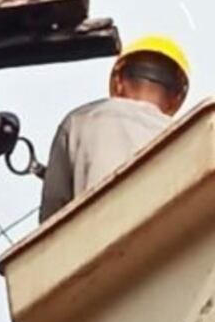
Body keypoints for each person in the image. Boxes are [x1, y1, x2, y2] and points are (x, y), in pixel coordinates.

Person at [38, 35, 191, 222]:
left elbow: (51, 215)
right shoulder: (188, 137)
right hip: (165, 244)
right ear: (176, 98)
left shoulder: (79, 121)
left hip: (91, 241)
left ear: (118, 81)